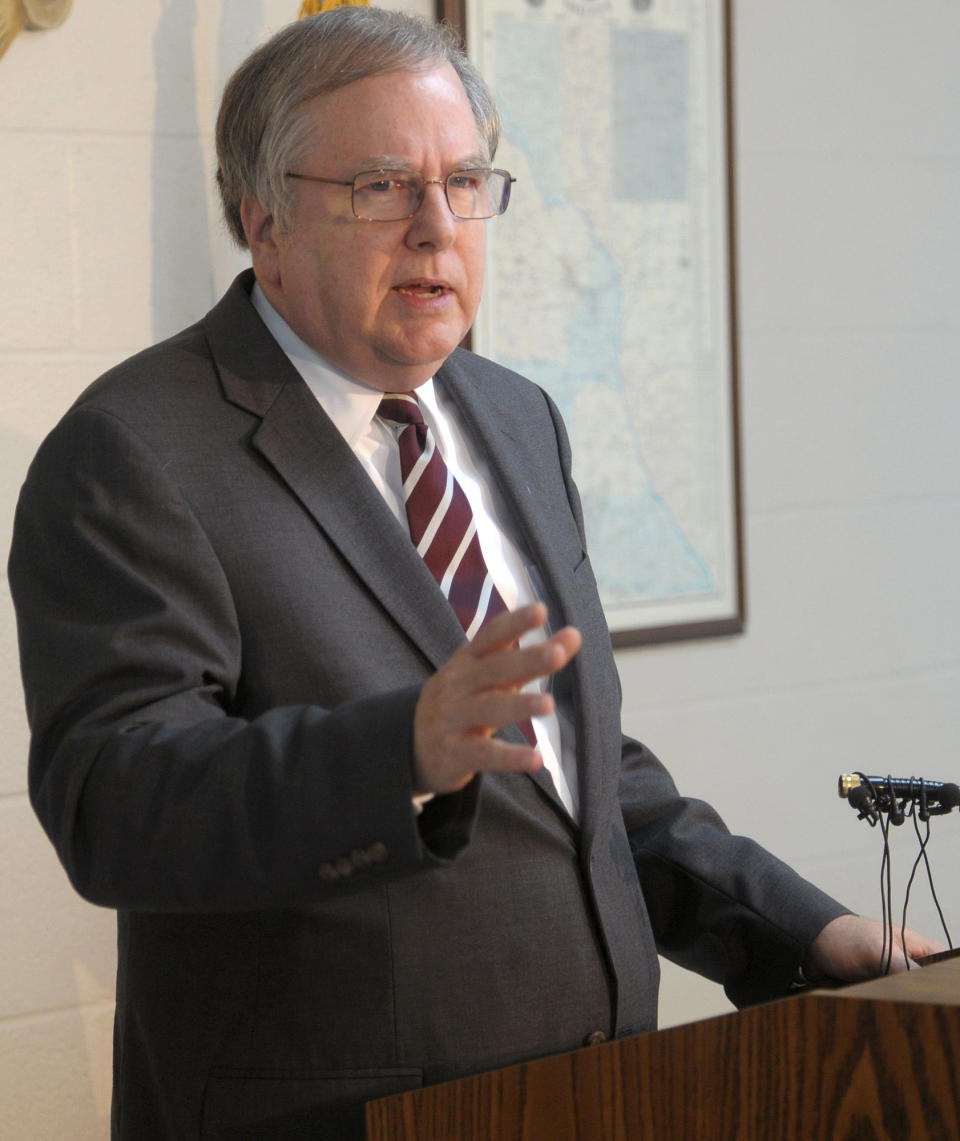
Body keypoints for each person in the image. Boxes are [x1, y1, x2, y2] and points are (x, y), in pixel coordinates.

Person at [8, 8, 941, 1140]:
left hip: (600, 1099)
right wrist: (398, 751)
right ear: (264, 220)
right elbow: (116, 802)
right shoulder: (136, 451)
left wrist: (797, 931)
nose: (436, 230)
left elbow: (580, 776)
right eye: (382, 188)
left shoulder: (514, 416)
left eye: (465, 183)